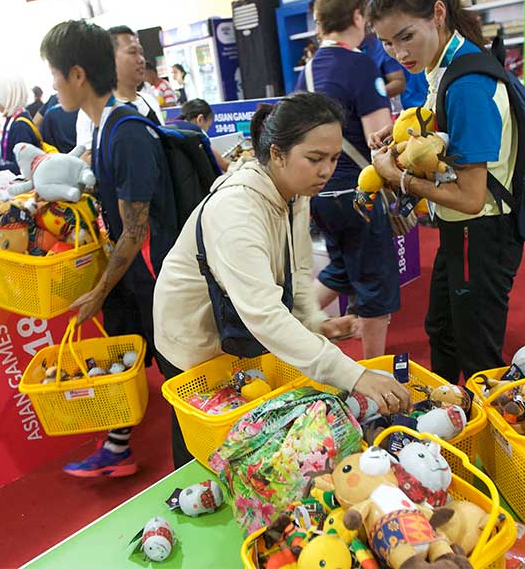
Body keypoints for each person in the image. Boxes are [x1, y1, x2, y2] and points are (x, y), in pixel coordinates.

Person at [153, 93, 411, 467]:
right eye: (315, 158)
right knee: (206, 448)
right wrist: (353, 375)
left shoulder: (293, 192)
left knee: (247, 441)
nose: (326, 171)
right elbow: (265, 315)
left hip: (236, 332)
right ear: (277, 154)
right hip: (192, 339)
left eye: (334, 158)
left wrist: (314, 321)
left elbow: (298, 271)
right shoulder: (236, 211)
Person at [367, 0, 522, 384]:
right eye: (386, 42)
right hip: (462, 231)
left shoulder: (467, 82)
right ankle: (450, 419)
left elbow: (471, 197)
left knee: (478, 355)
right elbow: (448, 136)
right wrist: (406, 126)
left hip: (482, 230)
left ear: (438, 13)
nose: (399, 53)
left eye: (405, 36)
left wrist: (399, 179)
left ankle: (484, 443)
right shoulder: (445, 64)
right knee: (443, 331)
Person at [40, 19, 179, 478]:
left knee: (179, 372)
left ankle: (200, 461)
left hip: (158, 276)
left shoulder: (126, 133)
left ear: (77, 74)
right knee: (131, 350)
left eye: (55, 73)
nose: (53, 84)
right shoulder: (101, 129)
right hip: (134, 276)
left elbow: (136, 231)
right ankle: (119, 446)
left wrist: (98, 291)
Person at [295, 0, 399, 361]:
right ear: (359, 15)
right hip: (359, 193)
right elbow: (379, 141)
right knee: (375, 285)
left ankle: (297, 324)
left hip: (318, 195)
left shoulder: (305, 72)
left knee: (340, 266)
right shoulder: (359, 66)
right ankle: (372, 373)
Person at [75, 26, 164, 151]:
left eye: (141, 53)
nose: (141, 60)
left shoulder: (149, 101)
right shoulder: (93, 111)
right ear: (110, 59)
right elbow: (89, 159)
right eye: (133, 52)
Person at [0, 77, 41, 175]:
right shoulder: (12, 120)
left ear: (6, 96)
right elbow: (7, 157)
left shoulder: (19, 126)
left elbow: (25, 166)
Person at [166, 98, 229, 171]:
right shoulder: (195, 133)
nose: (207, 130)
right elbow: (224, 165)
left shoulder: (169, 127)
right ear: (200, 119)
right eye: (208, 126)